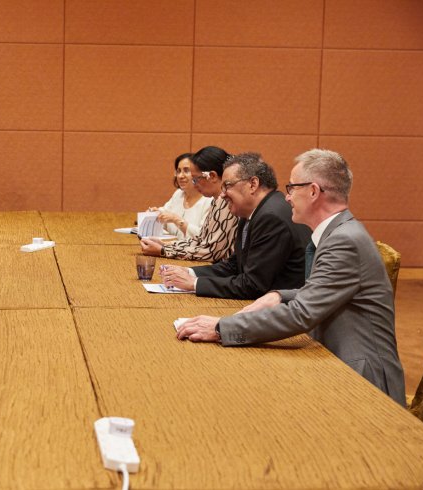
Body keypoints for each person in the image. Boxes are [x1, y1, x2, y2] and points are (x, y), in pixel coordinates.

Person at [175, 149, 406, 405]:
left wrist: (221, 328)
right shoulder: (336, 233)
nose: (286, 197)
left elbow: (302, 314)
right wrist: (279, 295)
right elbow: (326, 290)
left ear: (314, 191)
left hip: (362, 379)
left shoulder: (344, 241)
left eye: (292, 188)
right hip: (332, 359)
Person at [160, 152, 310, 299]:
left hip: (281, 309)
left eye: (227, 186)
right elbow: (234, 265)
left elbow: (253, 285)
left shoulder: (271, 218)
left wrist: (194, 284)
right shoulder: (252, 211)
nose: (223, 194)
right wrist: (189, 273)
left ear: (253, 184)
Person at [140, 146, 238, 261]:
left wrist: (163, 250)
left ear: (212, 176)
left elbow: (210, 252)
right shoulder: (218, 201)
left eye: (196, 179)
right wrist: (166, 246)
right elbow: (200, 240)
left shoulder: (227, 202)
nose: (195, 185)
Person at [147, 153, 210, 239]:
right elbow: (166, 214)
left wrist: (176, 220)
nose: (180, 176)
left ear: (198, 174)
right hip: (171, 248)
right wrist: (156, 213)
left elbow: (203, 236)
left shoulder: (209, 201)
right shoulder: (179, 194)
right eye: (178, 171)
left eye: (186, 171)